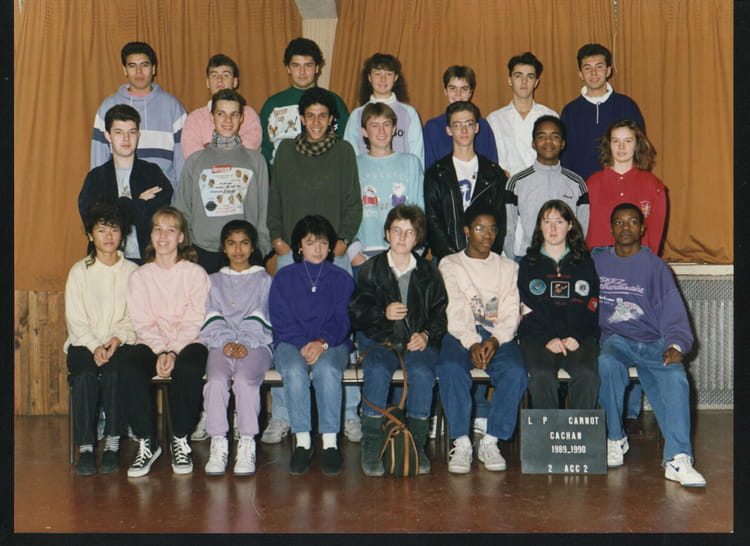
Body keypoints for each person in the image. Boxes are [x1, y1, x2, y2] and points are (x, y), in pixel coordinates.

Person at [265, 86, 363, 445]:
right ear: (301, 119)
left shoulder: (344, 151)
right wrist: (278, 239)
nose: (317, 122)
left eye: (323, 115)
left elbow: (353, 202)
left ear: (332, 119)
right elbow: (274, 198)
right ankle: (283, 416)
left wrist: (342, 241)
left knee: (341, 332)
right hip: (292, 252)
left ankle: (348, 415)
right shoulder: (285, 151)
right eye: (310, 116)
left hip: (332, 252)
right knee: (287, 337)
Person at [593, 203, 705, 487]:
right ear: (611, 228)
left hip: (653, 341)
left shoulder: (656, 267)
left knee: (676, 377)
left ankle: (678, 458)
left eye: (632, 222)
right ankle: (615, 438)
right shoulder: (597, 263)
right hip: (616, 340)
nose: (626, 227)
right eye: (619, 222)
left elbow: (673, 310)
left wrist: (677, 344)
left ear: (642, 228)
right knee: (607, 362)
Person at [349, 205, 447, 476]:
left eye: (409, 232)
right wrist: (383, 312)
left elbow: (440, 313)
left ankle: (416, 444)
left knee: (422, 372)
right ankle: (371, 446)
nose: (402, 237)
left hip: (418, 343)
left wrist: (426, 335)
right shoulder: (371, 269)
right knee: (377, 369)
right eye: (396, 230)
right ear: (386, 234)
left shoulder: (429, 271)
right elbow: (356, 312)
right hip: (380, 340)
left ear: (418, 238)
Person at [437, 206, 527, 474]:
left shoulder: (508, 267)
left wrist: (496, 340)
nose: (487, 235)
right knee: (450, 368)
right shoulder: (450, 264)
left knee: (515, 372)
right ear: (467, 231)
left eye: (492, 229)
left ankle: (491, 440)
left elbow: (511, 310)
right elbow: (455, 308)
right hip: (461, 332)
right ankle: (462, 442)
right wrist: (472, 342)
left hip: (499, 333)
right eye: (479, 228)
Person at [122, 206, 210, 477]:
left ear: (181, 237)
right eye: (158, 229)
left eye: (170, 230)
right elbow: (142, 321)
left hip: (189, 341)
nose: (163, 236)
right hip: (152, 343)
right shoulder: (140, 276)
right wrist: (161, 350)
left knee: (189, 367)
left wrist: (173, 351)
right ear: (151, 235)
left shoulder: (195, 274)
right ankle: (147, 442)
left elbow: (195, 319)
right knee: (128, 366)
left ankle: (180, 439)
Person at [269, 215, 355, 476]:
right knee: (294, 371)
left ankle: (330, 444)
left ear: (330, 246)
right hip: (291, 341)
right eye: (310, 243)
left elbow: (344, 319)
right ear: (299, 246)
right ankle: (303, 442)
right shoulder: (284, 278)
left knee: (327, 370)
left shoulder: (342, 278)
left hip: (333, 342)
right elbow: (280, 320)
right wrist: (303, 343)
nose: (317, 249)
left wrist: (322, 342)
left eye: (323, 243)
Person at [64, 199, 139, 476]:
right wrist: (95, 346)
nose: (108, 236)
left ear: (123, 234)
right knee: (84, 375)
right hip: (84, 342)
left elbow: (135, 317)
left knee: (115, 373)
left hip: (121, 342)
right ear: (90, 235)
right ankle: (86, 447)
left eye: (114, 229)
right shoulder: (79, 271)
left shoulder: (132, 272)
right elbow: (75, 320)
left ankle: (112, 443)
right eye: (101, 230)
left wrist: (117, 339)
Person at [199, 220, 272, 476]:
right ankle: (218, 441)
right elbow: (210, 313)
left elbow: (263, 312)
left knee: (244, 380)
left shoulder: (264, 279)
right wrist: (226, 341)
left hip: (256, 344)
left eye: (244, 243)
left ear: (252, 247)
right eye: (232, 243)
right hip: (222, 344)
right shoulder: (213, 280)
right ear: (223, 247)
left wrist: (246, 341)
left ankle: (246, 441)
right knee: (216, 380)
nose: (238, 249)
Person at [174, 88, 270, 273]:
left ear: (241, 118)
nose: (228, 120)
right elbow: (182, 208)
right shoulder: (195, 161)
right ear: (212, 117)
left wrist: (260, 249)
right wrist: (187, 248)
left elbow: (264, 210)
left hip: (243, 254)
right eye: (221, 114)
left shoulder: (256, 161)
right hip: (202, 252)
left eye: (234, 114)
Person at [517, 200, 600, 409]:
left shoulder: (584, 263)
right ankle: (549, 430)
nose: (553, 228)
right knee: (542, 375)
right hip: (538, 336)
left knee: (587, 374)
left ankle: (579, 429)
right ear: (539, 225)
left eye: (559, 222)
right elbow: (525, 308)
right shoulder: (528, 264)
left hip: (578, 336)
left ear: (570, 225)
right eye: (547, 222)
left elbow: (592, 306)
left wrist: (576, 336)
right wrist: (548, 338)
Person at [79, 104, 173, 264]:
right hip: (107, 262)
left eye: (132, 132)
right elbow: (95, 224)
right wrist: (139, 205)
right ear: (108, 135)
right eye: (118, 132)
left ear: (139, 135)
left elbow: (159, 221)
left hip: (149, 261)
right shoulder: (96, 178)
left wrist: (118, 208)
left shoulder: (152, 173)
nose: (126, 138)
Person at [91, 41, 186, 188]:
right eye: (132, 66)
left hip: (164, 195)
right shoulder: (108, 107)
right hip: (121, 194)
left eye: (144, 65)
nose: (139, 72)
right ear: (125, 70)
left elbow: (182, 161)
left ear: (153, 69)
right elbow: (98, 160)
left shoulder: (173, 107)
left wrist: (181, 197)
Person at [348, 102, 424, 280]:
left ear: (394, 129)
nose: (381, 131)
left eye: (386, 124)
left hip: (403, 252)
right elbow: (345, 210)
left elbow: (420, 209)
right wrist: (353, 253)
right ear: (364, 132)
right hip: (365, 254)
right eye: (374, 125)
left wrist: (415, 250)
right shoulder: (353, 165)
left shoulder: (411, 162)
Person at [425, 100, 508, 261]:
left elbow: (500, 222)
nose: (463, 130)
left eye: (469, 124)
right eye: (457, 125)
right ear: (449, 130)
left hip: (485, 260)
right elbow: (433, 221)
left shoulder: (493, 172)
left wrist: (487, 257)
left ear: (476, 127)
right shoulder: (436, 173)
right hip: (448, 261)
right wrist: (453, 259)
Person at [504, 115, 589, 261]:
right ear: (533, 143)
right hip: (528, 259)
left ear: (563, 143)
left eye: (555, 136)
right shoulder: (517, 183)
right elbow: (508, 229)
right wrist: (514, 262)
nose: (548, 141)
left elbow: (582, 228)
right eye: (541, 137)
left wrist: (574, 258)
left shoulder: (576, 183)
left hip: (566, 260)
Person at [259, 37, 349, 167]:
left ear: (317, 68)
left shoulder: (333, 101)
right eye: (296, 65)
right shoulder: (273, 104)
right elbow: (265, 150)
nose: (302, 72)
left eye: (308, 65)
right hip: (284, 175)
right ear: (288, 68)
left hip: (325, 173)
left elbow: (344, 143)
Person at [560, 44, 645, 181]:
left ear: (608, 71)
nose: (593, 73)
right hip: (580, 188)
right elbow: (564, 156)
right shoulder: (570, 111)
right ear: (580, 74)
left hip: (621, 185)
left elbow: (639, 150)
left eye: (599, 67)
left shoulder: (627, 106)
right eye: (587, 68)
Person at [585, 118, 666, 254]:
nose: (621, 147)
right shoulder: (592, 183)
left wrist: (649, 260)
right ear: (609, 145)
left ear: (637, 144)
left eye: (628, 141)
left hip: (638, 256)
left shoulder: (653, 185)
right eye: (616, 141)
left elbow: (655, 233)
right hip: (600, 257)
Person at [344, 53, 424, 166]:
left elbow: (417, 155)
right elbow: (350, 155)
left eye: (388, 74)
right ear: (369, 77)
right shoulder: (357, 115)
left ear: (395, 77)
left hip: (401, 174)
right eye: (377, 74)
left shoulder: (409, 113)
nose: (383, 79)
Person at [487, 52, 558, 177]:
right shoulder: (495, 119)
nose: (524, 81)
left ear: (536, 82)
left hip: (544, 184)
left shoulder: (550, 117)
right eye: (518, 76)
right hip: (507, 185)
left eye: (530, 76)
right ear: (510, 80)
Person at [181, 53, 262, 158]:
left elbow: (248, 153)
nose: (219, 80)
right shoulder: (194, 119)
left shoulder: (248, 115)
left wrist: (210, 149)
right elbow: (193, 158)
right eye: (214, 75)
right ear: (207, 82)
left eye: (225, 75)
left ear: (235, 82)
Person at [422, 65, 497, 170]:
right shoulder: (432, 127)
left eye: (464, 89)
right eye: (452, 88)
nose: (458, 94)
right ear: (445, 91)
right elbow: (429, 169)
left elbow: (492, 167)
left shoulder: (482, 126)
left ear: (471, 92)